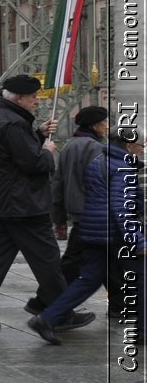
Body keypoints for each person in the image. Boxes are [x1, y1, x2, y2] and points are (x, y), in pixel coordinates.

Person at [0, 75, 94, 333]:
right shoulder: (12, 124)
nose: (36, 102)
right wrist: (47, 150)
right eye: (33, 98)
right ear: (20, 98)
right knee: (48, 261)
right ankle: (60, 314)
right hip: (24, 205)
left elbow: (12, 153)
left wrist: (37, 133)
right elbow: (33, 164)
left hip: (3, 204)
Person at [30, 127, 143, 343]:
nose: (141, 152)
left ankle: (46, 318)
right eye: (140, 147)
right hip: (113, 232)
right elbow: (121, 207)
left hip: (91, 228)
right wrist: (137, 239)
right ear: (129, 146)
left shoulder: (98, 160)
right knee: (140, 276)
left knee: (89, 279)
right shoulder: (122, 168)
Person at [50, 105, 112, 287]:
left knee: (99, 259)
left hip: (79, 211)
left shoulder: (69, 146)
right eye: (104, 123)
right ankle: (47, 299)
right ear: (94, 126)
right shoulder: (96, 149)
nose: (107, 127)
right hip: (94, 213)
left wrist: (59, 217)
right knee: (76, 261)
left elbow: (58, 183)